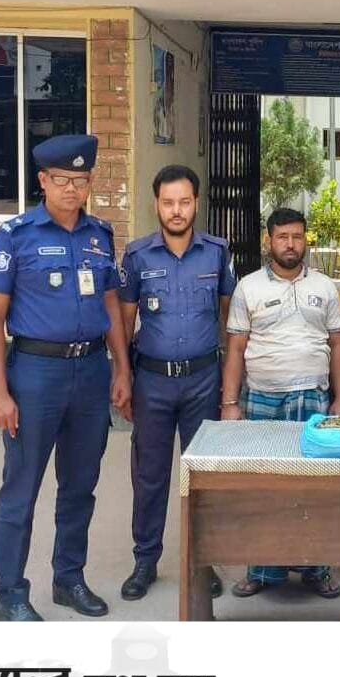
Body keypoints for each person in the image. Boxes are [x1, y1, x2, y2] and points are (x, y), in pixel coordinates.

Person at [0, 134, 131, 621]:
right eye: (62, 179)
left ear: (90, 183)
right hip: (35, 374)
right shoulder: (13, 236)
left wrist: (122, 368)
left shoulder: (99, 235)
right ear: (43, 181)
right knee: (21, 487)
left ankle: (69, 579)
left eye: (80, 180)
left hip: (90, 372)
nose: (71, 189)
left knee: (80, 485)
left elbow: (110, 303)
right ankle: (11, 595)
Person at [117, 165, 235, 602]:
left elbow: (229, 321)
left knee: (202, 475)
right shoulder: (137, 257)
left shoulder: (217, 254)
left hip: (203, 379)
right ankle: (145, 561)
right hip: (152, 382)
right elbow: (124, 323)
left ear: (196, 203)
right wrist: (123, 376)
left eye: (184, 202)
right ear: (157, 205)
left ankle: (203, 562)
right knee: (149, 475)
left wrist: (229, 389)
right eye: (168, 203)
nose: (177, 210)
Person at [220, 207, 340, 599]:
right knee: (263, 486)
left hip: (312, 396)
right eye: (282, 237)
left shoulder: (326, 287)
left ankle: (316, 569)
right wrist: (229, 403)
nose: (290, 244)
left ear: (305, 240)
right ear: (268, 240)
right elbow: (235, 348)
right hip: (261, 397)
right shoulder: (248, 287)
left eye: (296, 236)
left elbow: (337, 346)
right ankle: (262, 571)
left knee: (315, 487)